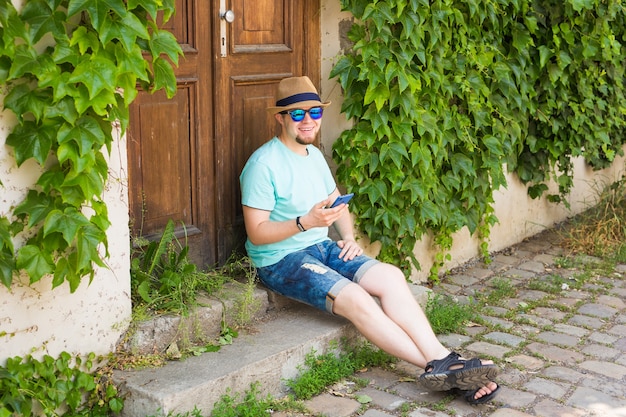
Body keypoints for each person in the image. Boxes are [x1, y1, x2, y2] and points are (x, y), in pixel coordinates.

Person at [239, 76, 500, 404]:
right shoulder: (263, 165)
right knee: (357, 299)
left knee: (390, 276)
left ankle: (445, 359)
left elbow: (337, 202)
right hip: (280, 260)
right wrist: (305, 223)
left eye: (315, 113)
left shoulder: (313, 156)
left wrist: (348, 237)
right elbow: (257, 233)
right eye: (297, 114)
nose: (308, 121)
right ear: (280, 118)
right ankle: (442, 369)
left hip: (321, 246)